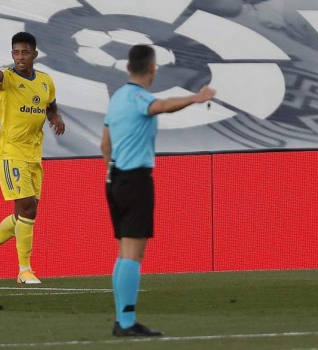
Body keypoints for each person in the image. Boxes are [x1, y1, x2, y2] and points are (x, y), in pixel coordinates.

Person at [101, 45, 215, 336]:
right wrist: (196, 98)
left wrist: (112, 171)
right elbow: (160, 106)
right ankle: (127, 322)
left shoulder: (116, 99)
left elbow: (105, 144)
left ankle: (121, 319)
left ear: (128, 67)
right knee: (133, 254)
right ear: (153, 69)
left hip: (115, 180)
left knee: (124, 252)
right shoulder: (141, 96)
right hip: (135, 180)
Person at [0, 32, 65, 284]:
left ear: (34, 54)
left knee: (23, 214)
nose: (20, 57)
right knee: (28, 210)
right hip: (11, 153)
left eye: (24, 52)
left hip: (35, 154)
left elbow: (50, 105)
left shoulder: (45, 81)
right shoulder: (7, 78)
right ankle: (24, 270)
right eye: (16, 52)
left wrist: (55, 117)